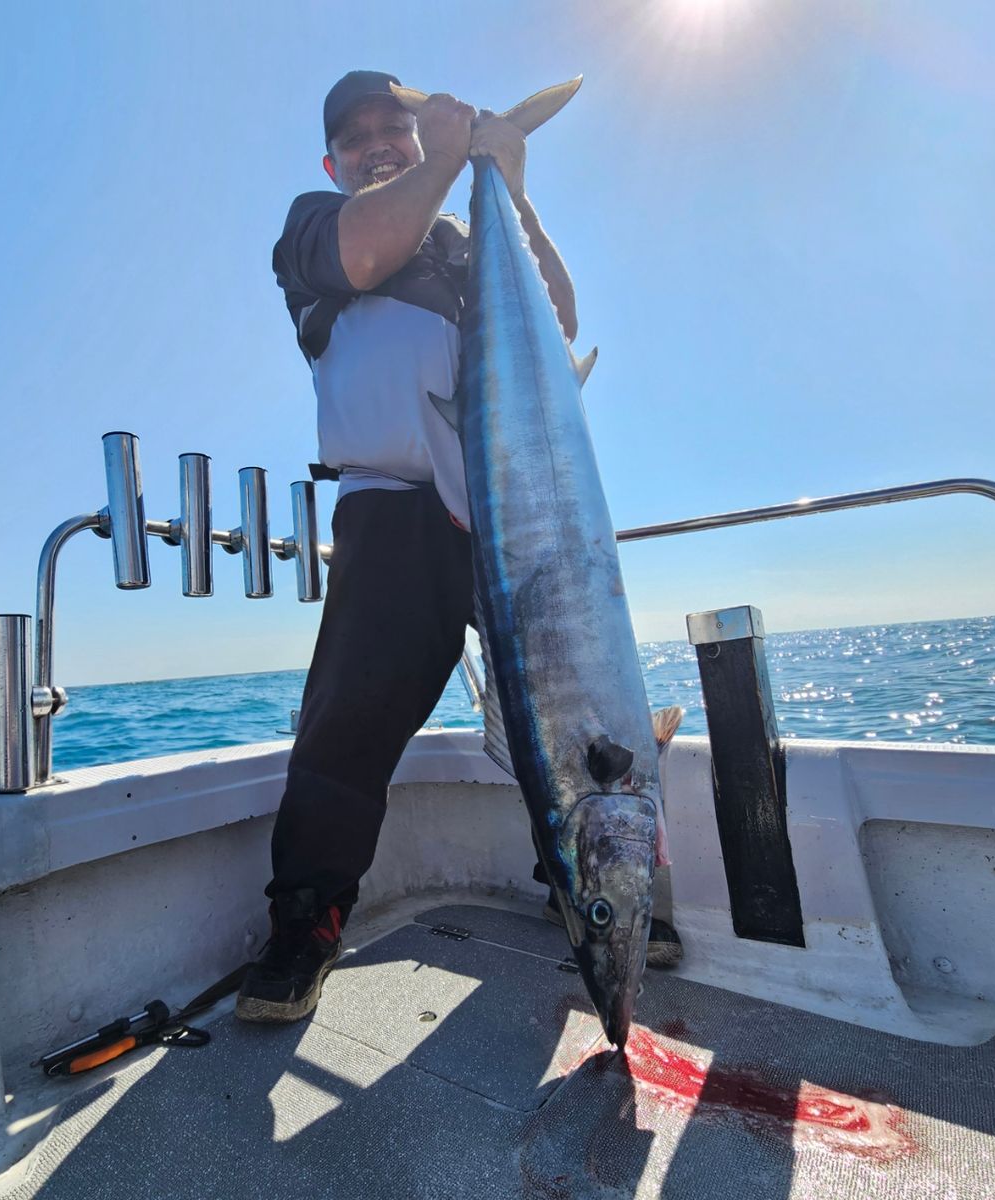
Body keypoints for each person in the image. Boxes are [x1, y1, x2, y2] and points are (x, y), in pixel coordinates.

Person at [235, 71, 677, 1025]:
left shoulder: (462, 244)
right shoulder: (314, 229)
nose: (377, 144)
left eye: (391, 127)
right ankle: (307, 921)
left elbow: (556, 324)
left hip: (513, 510)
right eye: (356, 139)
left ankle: (588, 888)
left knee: (554, 714)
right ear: (332, 161)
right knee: (347, 725)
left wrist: (506, 181)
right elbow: (363, 254)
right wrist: (447, 155)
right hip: (391, 511)